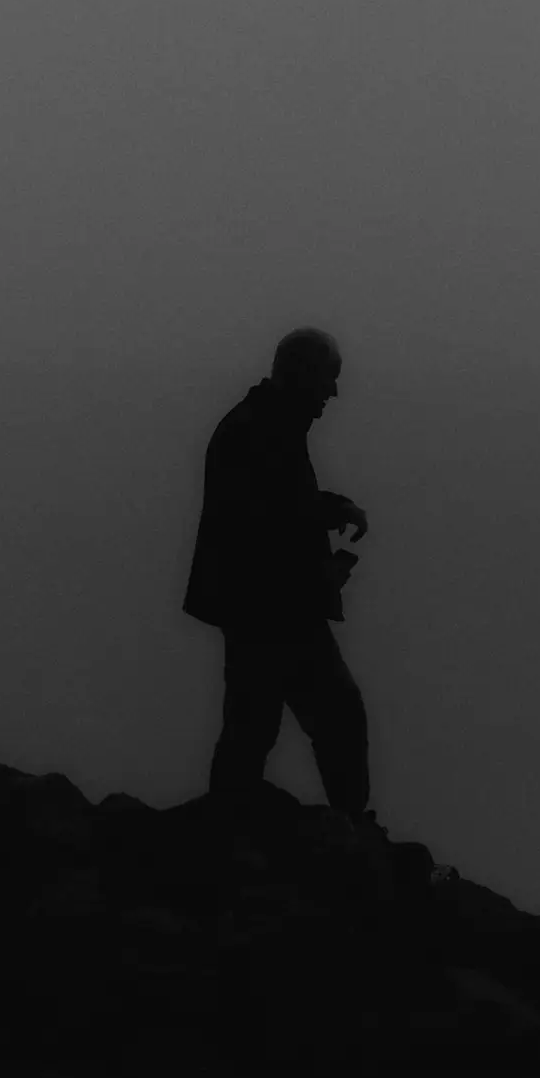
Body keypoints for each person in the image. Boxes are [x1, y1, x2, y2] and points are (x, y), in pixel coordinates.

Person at [183, 327, 380, 831]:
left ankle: (228, 831)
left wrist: (328, 512)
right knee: (332, 717)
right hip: (273, 614)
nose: (333, 394)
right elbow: (266, 528)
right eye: (328, 381)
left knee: (253, 727)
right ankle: (350, 835)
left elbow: (277, 513)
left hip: (263, 609)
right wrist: (322, 569)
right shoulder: (261, 431)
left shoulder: (263, 426)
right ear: (304, 375)